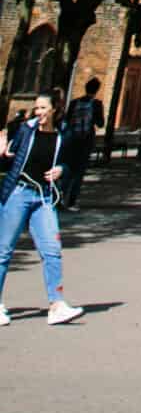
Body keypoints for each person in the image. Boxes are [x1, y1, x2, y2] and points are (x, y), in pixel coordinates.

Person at [0, 95, 82, 325]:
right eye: (36, 108)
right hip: (18, 192)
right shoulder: (26, 130)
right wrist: (4, 146)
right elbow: (8, 156)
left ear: (55, 110)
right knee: (3, 251)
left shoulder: (62, 136)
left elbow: (69, 163)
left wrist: (60, 170)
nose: (39, 112)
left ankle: (56, 305)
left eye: (43, 107)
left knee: (52, 251)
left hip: (44, 197)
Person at [58, 79, 105, 211]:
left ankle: (60, 198)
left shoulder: (74, 103)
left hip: (71, 140)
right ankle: (72, 202)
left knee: (67, 169)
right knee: (79, 172)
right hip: (85, 141)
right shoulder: (96, 104)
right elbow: (101, 123)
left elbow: (66, 120)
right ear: (96, 90)